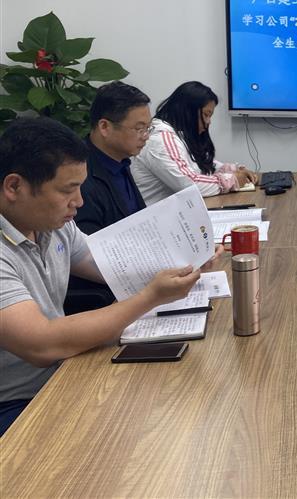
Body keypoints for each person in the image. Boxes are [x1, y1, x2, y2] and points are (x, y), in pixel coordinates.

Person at [0, 118, 217, 436]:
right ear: (14, 187)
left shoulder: (52, 226)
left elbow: (109, 264)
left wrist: (186, 258)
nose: (79, 201)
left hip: (64, 372)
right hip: (15, 404)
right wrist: (150, 296)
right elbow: (42, 344)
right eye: (67, 190)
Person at [68, 82, 152, 310]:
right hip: (106, 298)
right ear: (104, 126)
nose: (145, 136)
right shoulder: (79, 177)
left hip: (136, 280)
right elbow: (92, 253)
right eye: (139, 129)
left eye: (148, 128)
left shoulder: (120, 162)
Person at [131, 81, 257, 205]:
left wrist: (232, 170)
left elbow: (199, 165)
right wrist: (232, 180)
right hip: (158, 216)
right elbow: (190, 184)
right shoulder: (161, 140)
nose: (208, 122)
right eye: (206, 115)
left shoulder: (179, 135)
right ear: (187, 111)